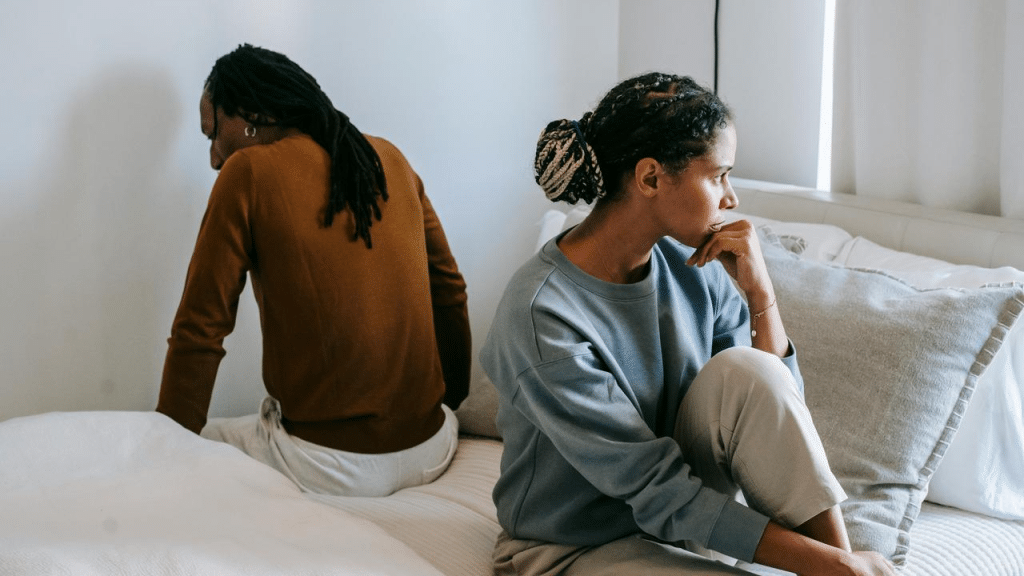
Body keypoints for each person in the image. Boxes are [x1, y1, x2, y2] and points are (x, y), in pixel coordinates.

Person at [479, 73, 895, 575]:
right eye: (719, 175)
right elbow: (658, 489)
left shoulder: (695, 268)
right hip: (571, 547)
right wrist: (827, 566)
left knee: (751, 370)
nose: (731, 197)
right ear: (651, 178)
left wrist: (760, 294)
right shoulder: (543, 314)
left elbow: (777, 415)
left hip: (682, 523)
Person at [156, 44, 471, 498]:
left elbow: (199, 332)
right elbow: (450, 292)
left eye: (212, 133)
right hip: (435, 448)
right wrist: (449, 406)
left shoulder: (248, 172)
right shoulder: (391, 160)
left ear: (247, 114)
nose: (212, 157)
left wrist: (160, 455)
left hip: (332, 468)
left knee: (198, 443)